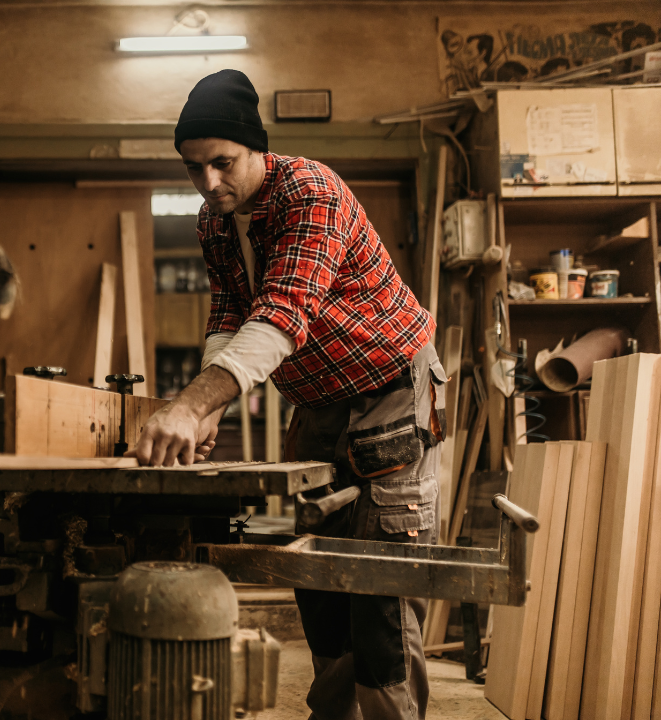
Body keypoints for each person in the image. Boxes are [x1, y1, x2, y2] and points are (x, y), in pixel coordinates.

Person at [129, 69, 446, 719]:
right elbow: (226, 313)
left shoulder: (310, 193)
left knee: (382, 579)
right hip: (319, 399)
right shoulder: (215, 221)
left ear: (257, 150)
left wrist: (188, 406)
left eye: (222, 163)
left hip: (388, 388)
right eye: (194, 169)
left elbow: (281, 315)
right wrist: (211, 408)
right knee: (320, 575)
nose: (208, 183)